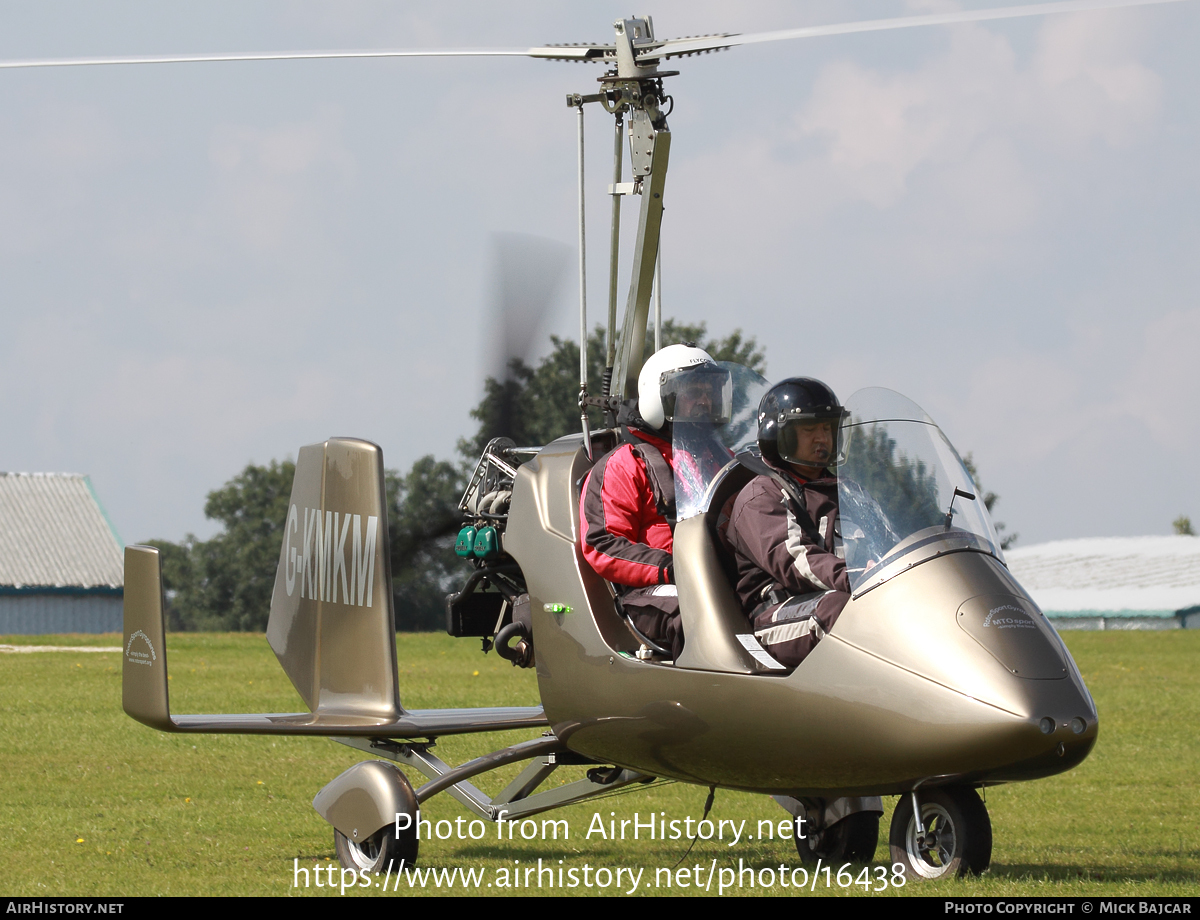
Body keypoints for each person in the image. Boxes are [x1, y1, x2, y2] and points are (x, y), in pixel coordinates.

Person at [579, 343, 731, 658]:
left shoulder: (723, 459)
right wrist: (671, 568)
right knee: (703, 613)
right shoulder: (626, 464)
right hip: (654, 590)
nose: (704, 401)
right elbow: (602, 543)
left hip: (722, 577)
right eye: (692, 392)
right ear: (659, 398)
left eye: (710, 391)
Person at [721, 377, 852, 668]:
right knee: (840, 611)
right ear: (778, 434)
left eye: (828, 428)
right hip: (776, 616)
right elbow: (798, 561)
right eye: (810, 429)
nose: (823, 438)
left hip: (847, 593)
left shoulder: (849, 490)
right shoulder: (761, 495)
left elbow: (894, 542)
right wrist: (857, 579)